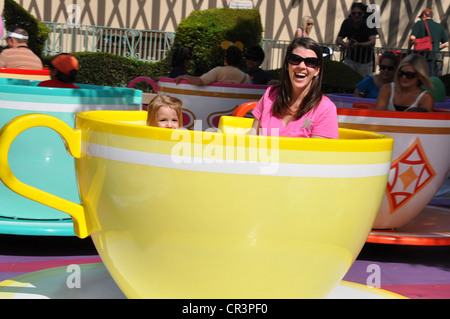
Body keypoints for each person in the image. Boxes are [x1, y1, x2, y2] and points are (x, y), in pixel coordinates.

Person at [250, 37, 338, 139]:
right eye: (295, 59)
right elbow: (251, 138)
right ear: (287, 65)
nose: (301, 66)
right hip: (264, 155)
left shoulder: (325, 109)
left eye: (310, 62)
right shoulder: (270, 95)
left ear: (317, 70)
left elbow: (318, 153)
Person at [335, 2, 378, 78]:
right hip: (350, 59)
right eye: (354, 13)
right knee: (347, 80)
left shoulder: (369, 24)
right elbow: (338, 39)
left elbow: (372, 41)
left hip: (365, 61)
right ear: (351, 14)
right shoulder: (347, 22)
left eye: (359, 13)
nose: (356, 15)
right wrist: (345, 44)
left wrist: (358, 44)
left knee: (363, 83)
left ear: (363, 14)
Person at [174, 45, 250, 86]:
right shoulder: (246, 77)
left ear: (226, 58)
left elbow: (199, 81)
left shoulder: (219, 71)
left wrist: (184, 77)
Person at [408, 8, 449, 76]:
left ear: (424, 15)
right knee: (431, 83)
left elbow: (412, 38)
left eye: (421, 17)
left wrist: (409, 48)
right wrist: (435, 47)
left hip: (420, 61)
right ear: (431, 16)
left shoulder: (419, 23)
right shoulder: (440, 26)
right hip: (434, 61)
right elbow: (446, 43)